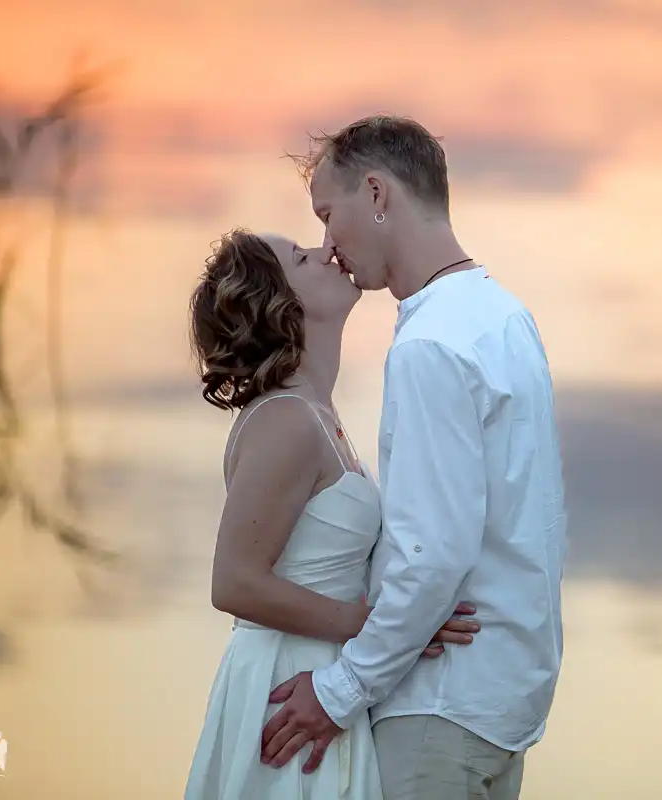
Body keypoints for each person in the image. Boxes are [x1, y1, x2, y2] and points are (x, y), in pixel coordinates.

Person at [259, 115, 568, 800]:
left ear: (376, 193)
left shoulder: (430, 345)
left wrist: (339, 691)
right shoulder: (505, 318)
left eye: (326, 214)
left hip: (439, 707)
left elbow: (433, 556)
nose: (327, 244)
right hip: (506, 700)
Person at [183, 230, 480, 800]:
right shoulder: (286, 420)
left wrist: (406, 618)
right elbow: (235, 582)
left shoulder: (315, 412)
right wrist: (387, 628)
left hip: (317, 676)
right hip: (286, 688)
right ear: (283, 304)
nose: (326, 251)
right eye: (302, 257)